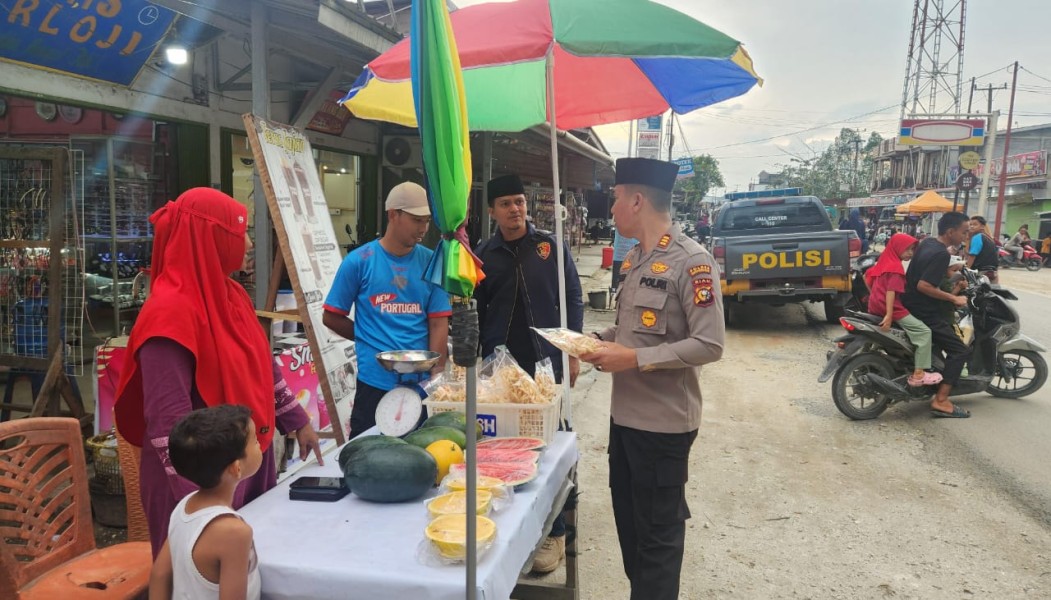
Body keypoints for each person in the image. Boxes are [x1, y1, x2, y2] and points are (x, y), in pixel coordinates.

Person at [115, 188, 322, 558]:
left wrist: (296, 419)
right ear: (210, 237)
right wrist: (203, 503)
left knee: (252, 567)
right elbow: (167, 420)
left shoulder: (231, 294)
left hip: (243, 460)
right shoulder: (169, 313)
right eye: (238, 230)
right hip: (201, 478)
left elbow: (262, 365)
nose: (247, 241)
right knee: (201, 579)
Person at [580, 158, 725, 600]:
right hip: (624, 422)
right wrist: (596, 341)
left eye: (617, 198)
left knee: (658, 542)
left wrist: (635, 359)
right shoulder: (637, 260)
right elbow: (631, 333)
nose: (612, 209)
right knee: (632, 534)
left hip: (663, 428)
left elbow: (710, 344)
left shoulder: (692, 262)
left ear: (637, 200)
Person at [472, 173, 584, 573]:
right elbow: (478, 308)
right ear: (493, 211)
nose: (515, 209)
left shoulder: (549, 247)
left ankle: (559, 527)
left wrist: (573, 351)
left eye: (519, 201)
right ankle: (513, 523)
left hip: (547, 362)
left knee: (554, 441)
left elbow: (572, 296)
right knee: (504, 446)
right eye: (506, 204)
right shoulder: (484, 253)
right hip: (502, 367)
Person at [322, 182, 451, 437]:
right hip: (374, 383)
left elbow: (438, 322)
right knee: (366, 457)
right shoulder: (359, 262)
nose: (423, 229)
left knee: (422, 461)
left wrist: (436, 374)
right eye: (416, 220)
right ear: (393, 214)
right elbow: (331, 316)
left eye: (426, 221)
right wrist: (367, 337)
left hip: (421, 385)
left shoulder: (432, 262)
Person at [149, 405, 263, 600]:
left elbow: (159, 575)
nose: (260, 445)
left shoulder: (184, 507)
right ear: (236, 468)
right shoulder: (234, 532)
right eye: (255, 441)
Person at [902, 211, 972, 418]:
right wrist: (954, 299)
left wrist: (953, 277)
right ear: (950, 232)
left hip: (909, 303)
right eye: (964, 232)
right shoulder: (941, 253)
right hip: (924, 311)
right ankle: (941, 400)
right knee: (960, 350)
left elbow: (926, 272)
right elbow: (924, 285)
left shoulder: (927, 243)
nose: (965, 237)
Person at [864, 233, 942, 387]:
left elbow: (867, 277)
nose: (911, 254)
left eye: (913, 250)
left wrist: (874, 294)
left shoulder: (883, 261)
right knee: (924, 332)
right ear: (898, 248)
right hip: (890, 307)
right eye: (908, 250)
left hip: (874, 305)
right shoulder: (896, 267)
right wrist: (889, 314)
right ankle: (919, 374)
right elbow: (891, 291)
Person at [965, 215, 999, 283]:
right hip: (993, 272)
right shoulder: (989, 238)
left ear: (982, 227)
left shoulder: (977, 237)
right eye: (970, 224)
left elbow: (972, 255)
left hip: (981, 272)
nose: (971, 226)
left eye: (975, 224)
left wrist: (966, 270)